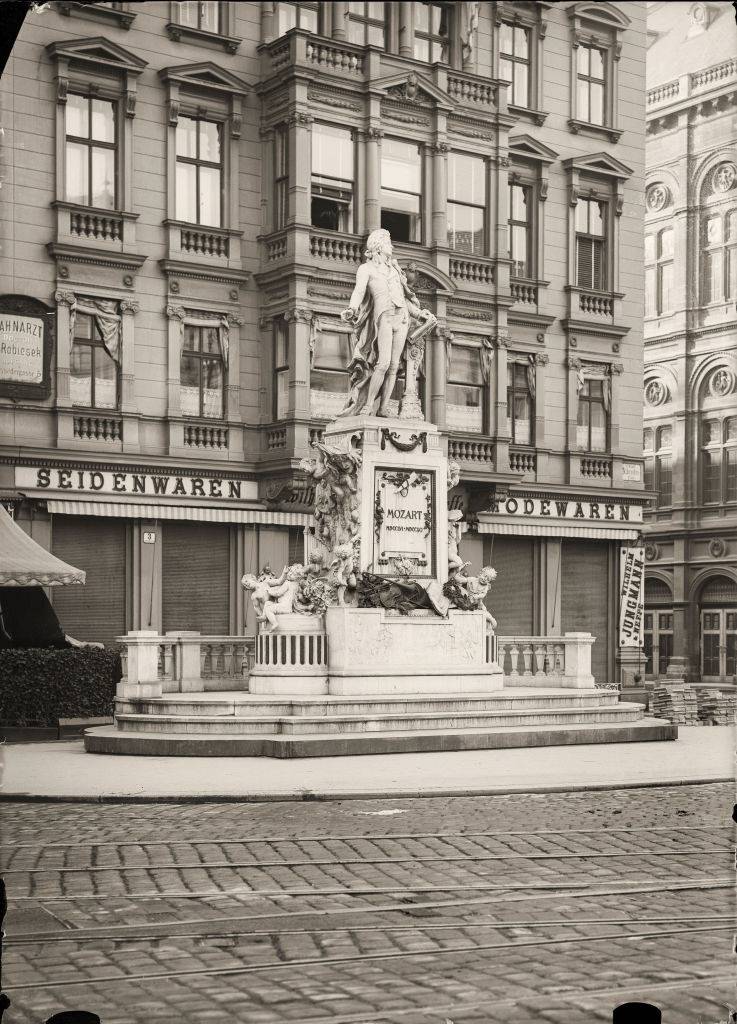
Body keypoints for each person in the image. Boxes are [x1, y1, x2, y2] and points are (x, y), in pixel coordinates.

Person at [340, 228, 435, 417]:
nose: (391, 246)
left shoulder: (395, 269)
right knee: (382, 364)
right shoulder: (366, 269)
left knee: (393, 366)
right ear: (379, 246)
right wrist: (352, 308)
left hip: (402, 320)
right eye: (388, 242)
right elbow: (359, 291)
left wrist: (419, 313)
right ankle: (367, 406)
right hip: (384, 318)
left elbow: (405, 299)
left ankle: (382, 408)